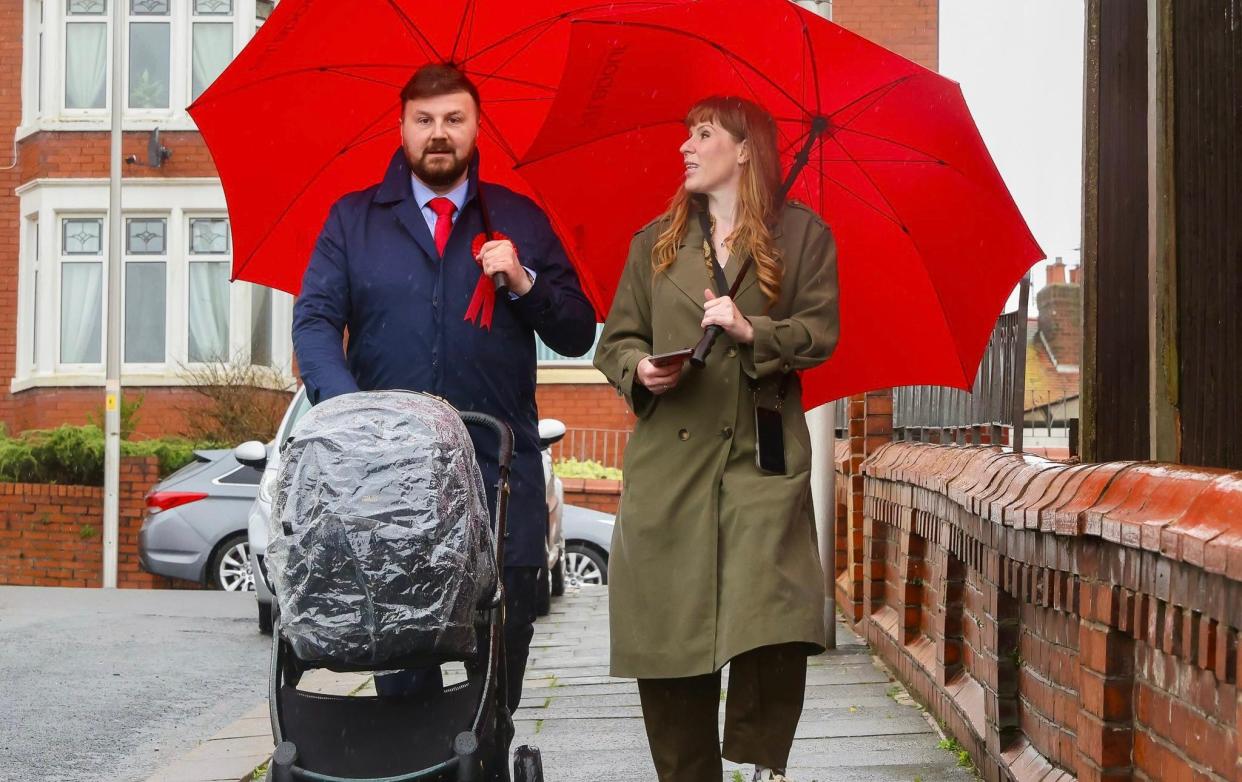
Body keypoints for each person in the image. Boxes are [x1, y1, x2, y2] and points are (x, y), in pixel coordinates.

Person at [293, 63, 597, 715]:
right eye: (424, 120)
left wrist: (524, 281)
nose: (439, 134)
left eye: (453, 119)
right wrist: (348, 413)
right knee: (400, 644)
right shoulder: (353, 222)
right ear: (401, 127)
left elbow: (576, 330)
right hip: (390, 480)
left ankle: (484, 749)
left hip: (499, 474)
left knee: (504, 635)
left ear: (475, 127)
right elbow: (316, 319)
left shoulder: (517, 220)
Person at [593, 96, 840, 782]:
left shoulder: (804, 237)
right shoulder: (655, 243)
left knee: (777, 615)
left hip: (761, 460)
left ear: (744, 149)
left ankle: (761, 762)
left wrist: (750, 329)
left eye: (703, 134)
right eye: (687, 133)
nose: (687, 147)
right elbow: (616, 342)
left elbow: (820, 333)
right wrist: (640, 368)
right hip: (671, 468)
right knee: (669, 638)